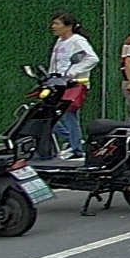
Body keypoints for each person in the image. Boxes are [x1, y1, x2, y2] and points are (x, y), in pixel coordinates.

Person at [47, 12, 100, 158]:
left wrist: (72, 73)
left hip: (72, 85)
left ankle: (76, 148)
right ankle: (73, 140)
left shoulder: (78, 41)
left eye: (57, 23)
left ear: (68, 26)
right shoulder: (59, 41)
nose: (53, 26)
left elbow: (92, 58)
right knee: (49, 115)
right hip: (57, 83)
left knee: (69, 115)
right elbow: (56, 62)